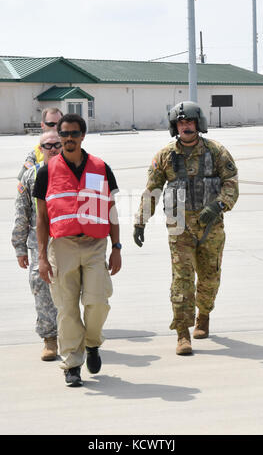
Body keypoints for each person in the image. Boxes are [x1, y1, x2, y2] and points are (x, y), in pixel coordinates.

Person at [133, 101, 239, 355]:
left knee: (210, 279)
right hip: (179, 228)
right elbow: (152, 189)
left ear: (198, 124)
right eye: (181, 123)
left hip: (210, 227)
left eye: (190, 122)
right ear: (175, 126)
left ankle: (204, 314)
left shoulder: (216, 152)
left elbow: (231, 184)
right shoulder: (165, 156)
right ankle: (182, 333)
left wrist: (218, 205)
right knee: (181, 281)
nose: (186, 126)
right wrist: (140, 220)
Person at [33, 113, 122, 387]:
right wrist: (42, 258)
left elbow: (111, 211)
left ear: (83, 136)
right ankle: (72, 364)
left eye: (74, 133)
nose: (69, 138)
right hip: (62, 247)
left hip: (96, 244)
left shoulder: (101, 167)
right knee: (67, 308)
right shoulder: (46, 171)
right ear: (59, 137)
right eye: (64, 134)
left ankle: (93, 343)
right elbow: (41, 218)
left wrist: (117, 247)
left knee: (98, 301)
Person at [11, 131, 61, 360]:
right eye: (47, 145)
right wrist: (19, 246)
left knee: (73, 289)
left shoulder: (73, 172)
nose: (53, 148)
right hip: (38, 242)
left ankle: (74, 335)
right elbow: (22, 213)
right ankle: (50, 339)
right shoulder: (30, 177)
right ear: (40, 149)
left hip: (69, 242)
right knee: (41, 287)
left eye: (57, 145)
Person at [18, 107, 63, 180]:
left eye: (59, 124)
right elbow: (24, 180)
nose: (55, 128)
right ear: (42, 125)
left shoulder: (71, 151)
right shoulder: (35, 155)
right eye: (51, 124)